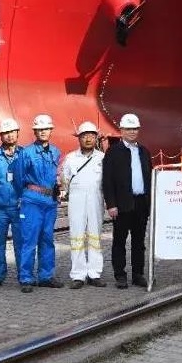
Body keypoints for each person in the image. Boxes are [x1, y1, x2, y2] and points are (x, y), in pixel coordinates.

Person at [13, 114, 63, 292]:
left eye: (46, 129)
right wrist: (27, 195)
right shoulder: (26, 153)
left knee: (47, 239)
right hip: (32, 201)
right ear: (35, 132)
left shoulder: (56, 152)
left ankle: (46, 276)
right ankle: (26, 278)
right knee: (29, 240)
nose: (43, 132)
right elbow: (18, 178)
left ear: (51, 131)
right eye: (40, 129)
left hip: (50, 201)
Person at [101, 113, 152, 289]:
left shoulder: (144, 152)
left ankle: (138, 274)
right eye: (129, 129)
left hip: (141, 203)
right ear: (121, 130)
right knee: (119, 241)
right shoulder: (113, 152)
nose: (132, 132)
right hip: (122, 204)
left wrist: (150, 203)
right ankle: (120, 275)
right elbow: (107, 181)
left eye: (135, 129)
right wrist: (111, 204)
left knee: (139, 242)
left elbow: (150, 177)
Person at [63, 122, 106, 288]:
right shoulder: (70, 158)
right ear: (79, 138)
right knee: (77, 235)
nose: (88, 139)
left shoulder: (102, 158)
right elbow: (65, 180)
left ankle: (94, 273)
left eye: (91, 136)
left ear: (96, 138)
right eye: (84, 136)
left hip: (96, 198)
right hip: (76, 200)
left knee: (95, 235)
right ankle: (78, 275)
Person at [0, 117, 23, 288]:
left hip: (19, 207)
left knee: (21, 243)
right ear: (1, 136)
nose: (9, 136)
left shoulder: (25, 155)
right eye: (6, 133)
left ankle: (24, 275)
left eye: (12, 132)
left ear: (18, 133)